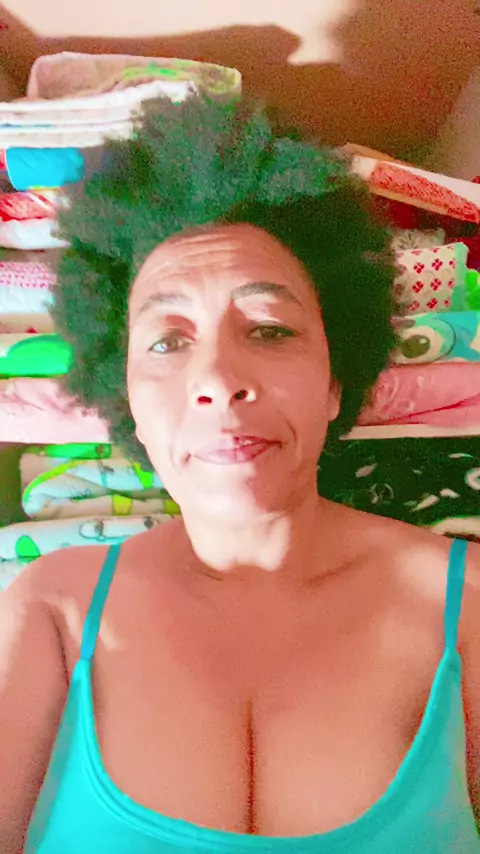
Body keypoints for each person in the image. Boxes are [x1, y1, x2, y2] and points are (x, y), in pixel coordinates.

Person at [0, 96, 479, 853]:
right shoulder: (47, 615)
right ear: (125, 396)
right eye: (167, 341)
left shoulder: (469, 607)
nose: (219, 381)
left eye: (270, 329)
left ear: (336, 382)